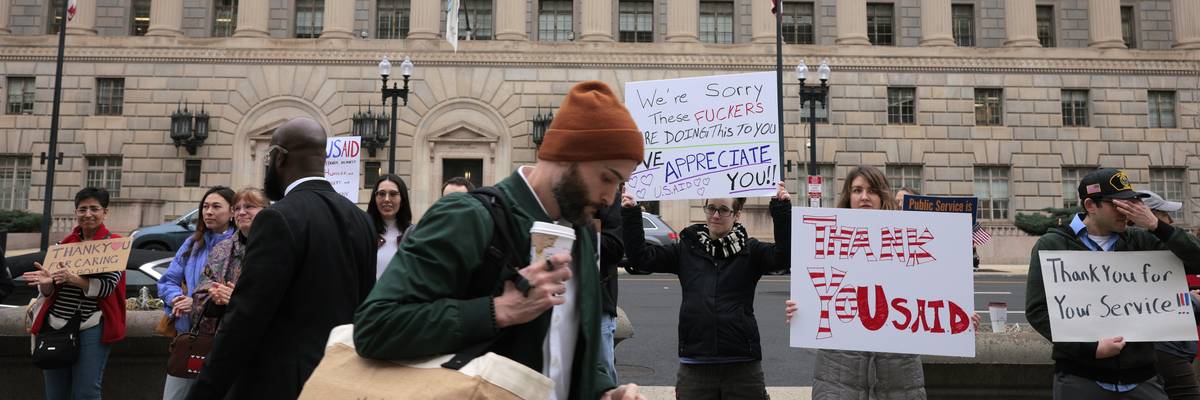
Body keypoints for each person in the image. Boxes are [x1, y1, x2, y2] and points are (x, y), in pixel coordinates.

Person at [354, 81, 646, 400]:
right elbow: (376, 327)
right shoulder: (467, 217)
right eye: (607, 178)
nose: (609, 197)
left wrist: (604, 390)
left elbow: (571, 350)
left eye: (620, 184)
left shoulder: (584, 231)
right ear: (565, 156)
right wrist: (497, 311)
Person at [186, 118, 377, 399]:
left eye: (269, 157)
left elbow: (246, 318)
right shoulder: (361, 219)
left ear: (279, 158)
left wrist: (203, 393)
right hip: (341, 381)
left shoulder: (277, 218)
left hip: (283, 384)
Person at [1025, 168, 1200, 400]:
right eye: (1117, 204)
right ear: (1090, 205)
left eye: (1130, 202)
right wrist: (1090, 349)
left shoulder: (1141, 240)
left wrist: (1158, 226)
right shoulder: (1054, 244)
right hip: (1081, 378)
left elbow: (1195, 260)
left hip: (1142, 378)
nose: (1125, 211)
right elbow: (1038, 311)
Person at [620, 182, 791, 400]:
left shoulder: (751, 251)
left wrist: (781, 209)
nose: (715, 215)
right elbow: (641, 258)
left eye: (723, 210)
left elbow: (783, 258)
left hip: (742, 364)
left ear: (737, 214)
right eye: (711, 208)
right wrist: (631, 212)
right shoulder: (686, 249)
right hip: (695, 364)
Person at [785, 165, 927, 399]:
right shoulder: (825, 245)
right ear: (848, 197)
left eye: (871, 191)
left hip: (898, 378)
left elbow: (934, 299)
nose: (864, 197)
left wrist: (959, 321)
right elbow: (817, 318)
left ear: (882, 197)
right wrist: (801, 313)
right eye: (857, 190)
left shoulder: (910, 247)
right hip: (838, 378)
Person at [24, 187, 127, 400]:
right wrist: (45, 284)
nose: (88, 214)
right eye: (82, 209)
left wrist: (75, 279)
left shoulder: (115, 245)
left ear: (105, 212)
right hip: (54, 326)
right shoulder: (62, 246)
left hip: (92, 326)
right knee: (55, 394)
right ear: (76, 212)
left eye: (94, 209)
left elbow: (108, 288)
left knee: (86, 393)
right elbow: (49, 292)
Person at [158, 186, 237, 399]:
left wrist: (196, 302)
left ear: (232, 212)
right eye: (205, 206)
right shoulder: (193, 242)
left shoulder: (239, 246)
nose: (208, 211)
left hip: (221, 338)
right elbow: (168, 280)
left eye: (216, 206)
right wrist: (176, 298)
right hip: (189, 336)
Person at [187, 188, 269, 350]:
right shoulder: (222, 249)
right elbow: (199, 295)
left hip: (265, 344)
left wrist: (238, 299)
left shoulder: (278, 247)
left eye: (250, 207)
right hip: (225, 342)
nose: (242, 212)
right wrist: (215, 297)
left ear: (267, 212)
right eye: (237, 208)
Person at [1137, 190, 1200, 400]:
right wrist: (1193, 302)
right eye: (1165, 215)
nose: (1171, 221)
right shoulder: (1151, 246)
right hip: (1166, 347)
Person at [596, 188, 624, 384]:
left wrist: (577, 229)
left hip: (598, 303)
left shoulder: (608, 196)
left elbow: (615, 248)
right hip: (555, 302)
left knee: (603, 375)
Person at [367, 174, 413, 279]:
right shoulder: (363, 232)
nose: (387, 199)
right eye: (381, 194)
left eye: (393, 194)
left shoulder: (414, 235)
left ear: (402, 200)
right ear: (375, 198)